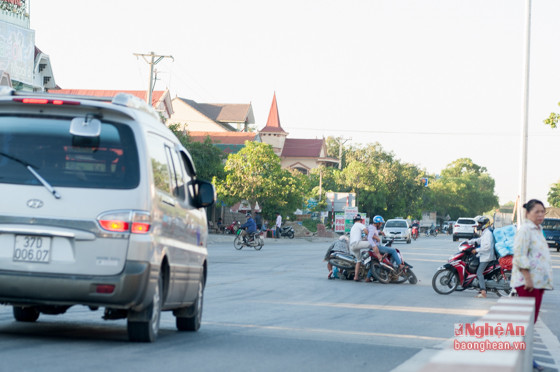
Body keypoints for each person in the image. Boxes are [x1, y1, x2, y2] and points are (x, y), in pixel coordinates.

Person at [511, 199, 553, 371]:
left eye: (543, 211)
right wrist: (527, 278)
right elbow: (520, 255)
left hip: (538, 283)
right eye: (537, 212)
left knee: (530, 323)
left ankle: (526, 358)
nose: (541, 215)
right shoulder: (525, 230)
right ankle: (521, 359)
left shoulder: (538, 230)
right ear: (527, 213)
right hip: (527, 283)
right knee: (526, 325)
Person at [468, 216, 495, 298]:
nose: (479, 225)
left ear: (485, 224)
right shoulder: (485, 232)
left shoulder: (488, 233)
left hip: (486, 256)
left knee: (479, 273)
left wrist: (477, 250)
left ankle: (483, 291)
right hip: (484, 255)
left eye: (480, 224)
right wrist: (469, 241)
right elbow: (480, 240)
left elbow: (487, 247)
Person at [365, 215, 396, 282]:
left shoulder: (373, 227)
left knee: (376, 261)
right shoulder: (373, 228)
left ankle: (368, 277)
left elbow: (374, 232)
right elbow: (369, 237)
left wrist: (380, 232)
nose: (381, 224)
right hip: (376, 247)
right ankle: (399, 265)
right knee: (393, 251)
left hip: (375, 247)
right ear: (378, 223)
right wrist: (374, 246)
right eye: (381, 223)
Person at [349, 214, 370, 281]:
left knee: (359, 260)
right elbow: (366, 232)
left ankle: (356, 277)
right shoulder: (359, 224)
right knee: (372, 245)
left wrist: (364, 239)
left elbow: (358, 238)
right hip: (357, 244)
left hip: (352, 246)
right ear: (360, 220)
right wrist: (372, 237)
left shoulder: (353, 226)